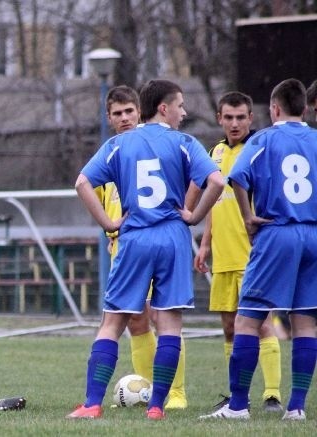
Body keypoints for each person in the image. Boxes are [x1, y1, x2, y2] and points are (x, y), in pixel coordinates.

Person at [68, 79, 224, 420]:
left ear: (142, 109)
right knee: (169, 324)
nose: (184, 112)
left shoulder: (119, 144)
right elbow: (217, 181)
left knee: (112, 323)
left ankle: (92, 404)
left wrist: (108, 224)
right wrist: (194, 215)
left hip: (135, 235)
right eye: (180, 105)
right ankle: (156, 408)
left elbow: (82, 183)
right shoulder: (184, 143)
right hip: (172, 237)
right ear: (164, 108)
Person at [201, 78, 317, 421]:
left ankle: (237, 406)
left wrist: (249, 217)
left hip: (276, 231)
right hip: (312, 233)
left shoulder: (265, 139)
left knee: (247, 321)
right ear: (306, 108)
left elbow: (236, 177)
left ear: (274, 109)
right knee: (305, 324)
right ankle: (296, 408)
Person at [95, 85, 187, 409]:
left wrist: (184, 212)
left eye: (129, 112)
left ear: (140, 112)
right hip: (124, 249)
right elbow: (93, 192)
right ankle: (146, 389)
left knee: (163, 314)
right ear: (109, 118)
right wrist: (110, 225)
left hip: (154, 241)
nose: (124, 118)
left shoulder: (158, 148)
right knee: (134, 319)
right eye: (117, 114)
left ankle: (174, 392)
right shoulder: (112, 153)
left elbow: (188, 181)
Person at [193, 91, 283, 413]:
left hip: (254, 255)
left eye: (240, 117)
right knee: (230, 327)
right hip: (223, 255)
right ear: (219, 118)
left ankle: (271, 394)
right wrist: (204, 243)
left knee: (260, 324)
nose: (234, 123)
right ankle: (236, 395)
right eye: (228, 117)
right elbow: (216, 204)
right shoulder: (214, 152)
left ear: (251, 119)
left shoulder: (260, 149)